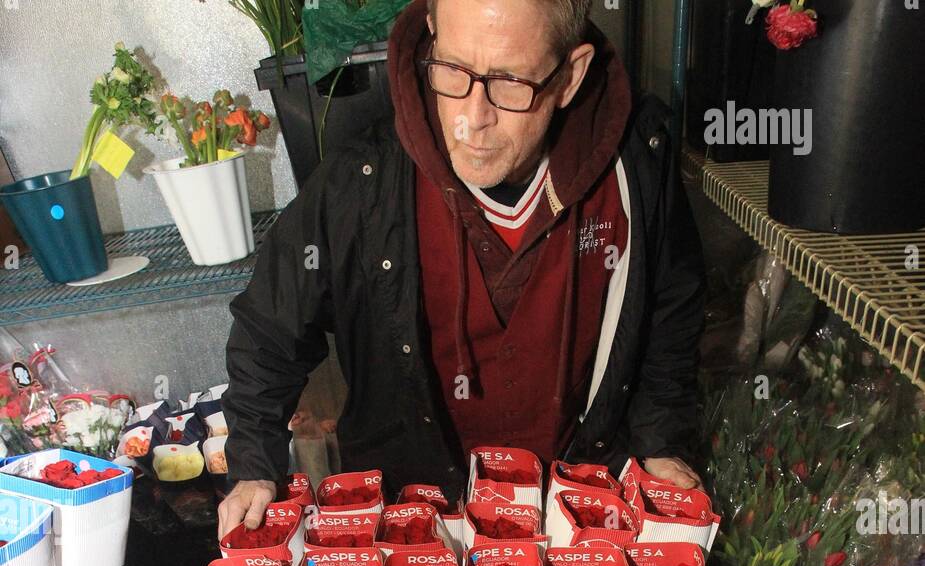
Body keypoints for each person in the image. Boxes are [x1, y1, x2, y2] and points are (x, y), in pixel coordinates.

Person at [218, 0, 705, 536]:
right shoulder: (365, 178)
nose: (474, 119)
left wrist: (660, 439)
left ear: (570, 75)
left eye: (510, 81)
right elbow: (271, 323)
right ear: (431, 35)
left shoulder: (636, 166)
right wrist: (255, 464)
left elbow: (671, 307)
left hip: (573, 514)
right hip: (415, 521)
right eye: (452, 71)